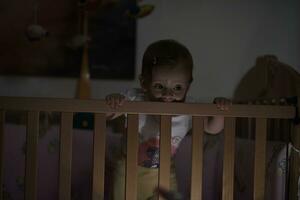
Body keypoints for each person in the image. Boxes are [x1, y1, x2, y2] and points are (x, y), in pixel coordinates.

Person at [105, 39, 231, 199]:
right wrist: (114, 102)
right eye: (159, 86)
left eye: (178, 88)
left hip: (164, 171)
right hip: (128, 170)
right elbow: (107, 115)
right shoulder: (135, 99)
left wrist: (219, 110)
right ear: (144, 82)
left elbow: (213, 128)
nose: (168, 94)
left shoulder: (189, 108)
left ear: (188, 85)